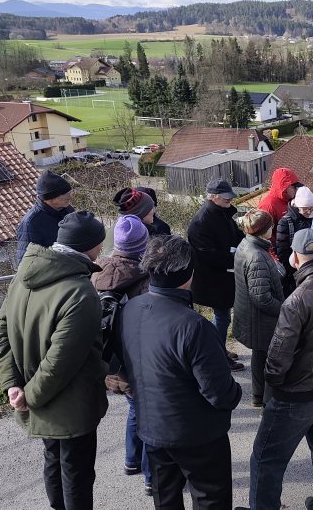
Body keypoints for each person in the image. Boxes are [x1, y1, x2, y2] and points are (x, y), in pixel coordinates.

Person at [0, 211, 108, 510]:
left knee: (53, 463)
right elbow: (62, 360)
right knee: (77, 475)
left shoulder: (24, 275)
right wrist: (27, 396)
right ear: (90, 246)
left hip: (34, 397)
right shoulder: (80, 292)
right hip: (71, 405)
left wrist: (13, 386)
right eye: (100, 243)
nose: (102, 249)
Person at [119, 235, 242, 509]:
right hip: (198, 435)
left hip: (151, 427)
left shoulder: (129, 309)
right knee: (210, 499)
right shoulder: (194, 325)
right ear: (189, 274)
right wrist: (238, 391)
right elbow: (220, 394)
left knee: (166, 500)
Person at [249, 229, 313, 510]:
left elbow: (278, 357)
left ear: (295, 258)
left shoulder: (296, 300)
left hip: (297, 394)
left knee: (265, 459)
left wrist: (273, 386)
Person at [91, 215, 152, 495]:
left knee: (134, 408)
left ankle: (130, 460)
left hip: (105, 359)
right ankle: (153, 477)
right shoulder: (143, 277)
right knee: (148, 414)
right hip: (136, 360)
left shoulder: (94, 271)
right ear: (142, 244)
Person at [187, 179, 245, 372]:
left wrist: (245, 244)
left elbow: (235, 234)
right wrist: (233, 255)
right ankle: (218, 354)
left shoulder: (221, 213)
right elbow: (205, 254)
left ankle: (218, 348)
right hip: (212, 279)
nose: (230, 200)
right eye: (225, 197)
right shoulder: (201, 221)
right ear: (213, 197)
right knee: (222, 317)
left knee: (223, 316)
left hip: (222, 276)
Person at [233, 210, 285, 408]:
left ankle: (258, 396)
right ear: (264, 230)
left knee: (260, 354)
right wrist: (283, 309)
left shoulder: (246, 244)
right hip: (260, 319)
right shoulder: (256, 256)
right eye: (270, 226)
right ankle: (266, 401)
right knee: (267, 358)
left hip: (251, 315)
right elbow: (261, 297)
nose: (273, 229)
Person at [15, 170, 74, 262]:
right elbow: (25, 263)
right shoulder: (31, 223)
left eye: (70, 193)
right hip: (52, 274)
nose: (70, 198)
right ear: (49, 198)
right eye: (65, 195)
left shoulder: (67, 210)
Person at [275, 186, 313, 294]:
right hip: (295, 272)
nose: (309, 212)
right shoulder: (285, 222)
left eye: (311, 208)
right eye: (305, 209)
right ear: (297, 206)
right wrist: (293, 272)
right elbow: (282, 252)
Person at [257, 168, 303, 247]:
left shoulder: (290, 201)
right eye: (293, 187)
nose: (296, 190)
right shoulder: (268, 205)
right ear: (284, 187)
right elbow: (264, 235)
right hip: (278, 251)